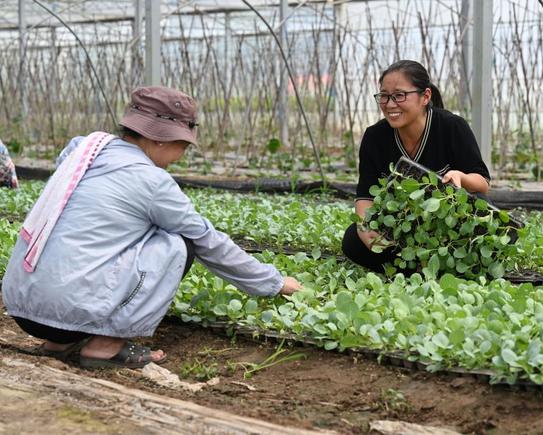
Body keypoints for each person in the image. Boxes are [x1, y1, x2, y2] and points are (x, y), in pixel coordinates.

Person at [2, 86, 302, 368]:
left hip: (21, 305)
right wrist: (273, 282)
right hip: (67, 312)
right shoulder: (152, 181)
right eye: (183, 146)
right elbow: (207, 239)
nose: (181, 156)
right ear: (160, 139)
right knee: (179, 242)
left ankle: (57, 344)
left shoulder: (85, 149)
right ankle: (105, 346)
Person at [342, 60, 491, 273]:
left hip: (448, 228)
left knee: (481, 213)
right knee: (352, 240)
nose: (390, 104)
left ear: (425, 96)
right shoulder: (375, 137)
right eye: (384, 96)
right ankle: (417, 266)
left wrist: (461, 176)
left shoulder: (451, 127)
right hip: (402, 229)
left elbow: (483, 183)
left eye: (399, 95)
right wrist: (367, 231)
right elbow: (365, 196)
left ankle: (425, 265)